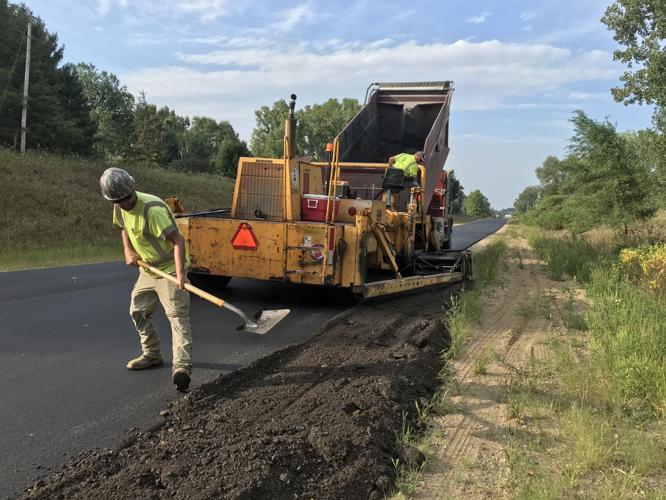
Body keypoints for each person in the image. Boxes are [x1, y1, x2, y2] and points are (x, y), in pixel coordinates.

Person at [99, 167, 193, 391]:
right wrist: (127, 251)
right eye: (121, 200)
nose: (126, 202)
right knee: (137, 311)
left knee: (177, 317)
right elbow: (123, 228)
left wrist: (180, 275)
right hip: (148, 269)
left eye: (128, 196)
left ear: (133, 188)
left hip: (170, 268)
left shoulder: (153, 209)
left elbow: (178, 241)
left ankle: (182, 368)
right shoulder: (119, 205)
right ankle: (151, 354)